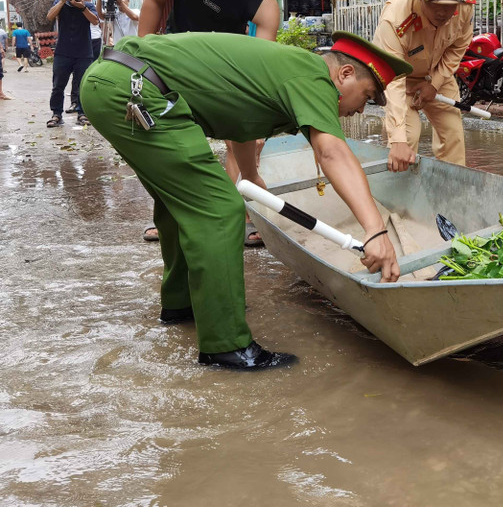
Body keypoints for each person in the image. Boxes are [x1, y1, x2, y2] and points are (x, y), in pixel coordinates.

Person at [80, 30, 412, 369]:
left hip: (116, 81)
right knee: (219, 210)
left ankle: (184, 304)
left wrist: (251, 175)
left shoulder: (287, 71)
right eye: (366, 96)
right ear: (344, 75)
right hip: (135, 89)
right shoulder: (313, 77)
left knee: (180, 202)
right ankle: (225, 346)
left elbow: (241, 123)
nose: (360, 111)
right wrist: (375, 231)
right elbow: (332, 153)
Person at [137, 0, 281, 245]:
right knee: (171, 146)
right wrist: (141, 50)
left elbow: (260, 61)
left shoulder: (263, 1)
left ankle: (248, 209)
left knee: (244, 137)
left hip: (223, 70)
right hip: (172, 63)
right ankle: (169, 214)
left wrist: (254, 112)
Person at [372, 0, 475, 172]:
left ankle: (451, 189)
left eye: (449, 6)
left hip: (437, 74)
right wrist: (397, 138)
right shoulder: (395, 19)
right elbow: (393, 80)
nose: (443, 13)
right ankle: (399, 197)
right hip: (399, 77)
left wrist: (434, 84)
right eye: (434, 4)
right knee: (405, 138)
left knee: (453, 132)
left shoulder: (464, 9)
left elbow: (457, 48)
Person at [45, 0, 99, 127]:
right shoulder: (60, 3)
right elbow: (50, 17)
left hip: (84, 52)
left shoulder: (87, 5)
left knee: (83, 85)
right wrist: (62, 1)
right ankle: (56, 114)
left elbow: (95, 21)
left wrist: (82, 8)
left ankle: (82, 113)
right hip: (63, 52)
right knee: (58, 85)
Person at [67, 0, 101, 114]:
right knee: (77, 74)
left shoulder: (93, 8)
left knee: (94, 72)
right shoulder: (74, 8)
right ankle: (75, 102)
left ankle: (91, 102)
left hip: (95, 41)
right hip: (81, 43)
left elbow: (99, 23)